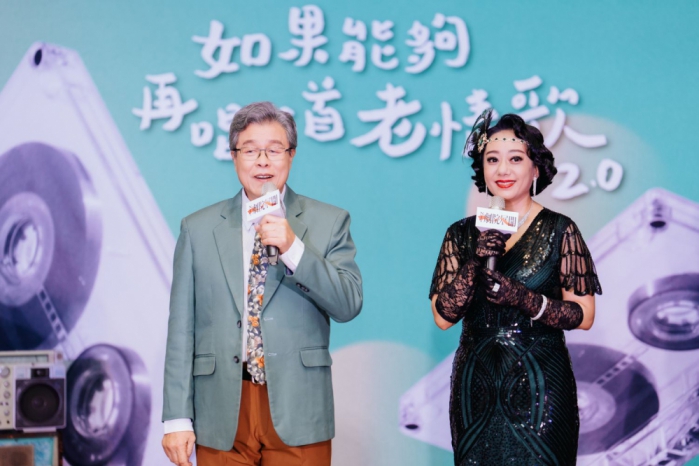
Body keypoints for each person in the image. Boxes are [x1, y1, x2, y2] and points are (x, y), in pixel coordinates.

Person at [161, 101, 363, 466]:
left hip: (299, 406)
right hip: (221, 407)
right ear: (234, 156)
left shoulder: (329, 221)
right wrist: (176, 417)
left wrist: (294, 249)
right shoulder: (198, 228)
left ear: (292, 154)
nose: (263, 161)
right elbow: (181, 330)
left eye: (274, 150)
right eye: (251, 150)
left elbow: (348, 303)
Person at [429, 110, 601, 465]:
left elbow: (583, 315)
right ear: (482, 169)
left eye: (516, 159)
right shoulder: (460, 233)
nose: (503, 170)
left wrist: (526, 299)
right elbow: (443, 317)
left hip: (541, 386)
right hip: (476, 388)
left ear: (536, 168)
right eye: (492, 159)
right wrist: (475, 263)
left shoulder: (560, 229)